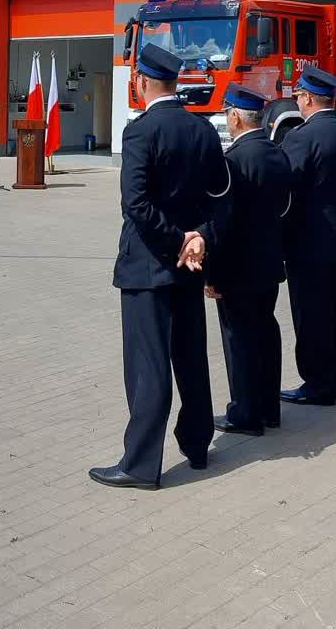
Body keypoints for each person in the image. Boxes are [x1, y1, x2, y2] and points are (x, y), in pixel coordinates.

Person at [89, 43, 229, 490]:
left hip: (149, 264)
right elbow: (220, 197)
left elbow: (135, 204)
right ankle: (198, 446)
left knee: (148, 366)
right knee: (191, 358)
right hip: (189, 265)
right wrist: (199, 237)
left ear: (143, 82)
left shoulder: (140, 132)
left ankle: (140, 464)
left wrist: (178, 240)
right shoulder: (202, 129)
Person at [205, 84, 292, 436]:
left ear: (236, 118)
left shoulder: (234, 160)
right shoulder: (276, 152)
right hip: (269, 261)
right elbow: (285, 207)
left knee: (239, 339)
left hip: (238, 267)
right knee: (266, 332)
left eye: (228, 114)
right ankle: (269, 408)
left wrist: (212, 274)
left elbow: (222, 223)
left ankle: (245, 414)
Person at [280, 65, 336, 403]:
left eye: (299, 96)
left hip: (308, 241)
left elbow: (287, 189)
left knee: (311, 315)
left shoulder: (300, 137)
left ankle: (317, 384)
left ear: (309, 98)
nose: (298, 102)